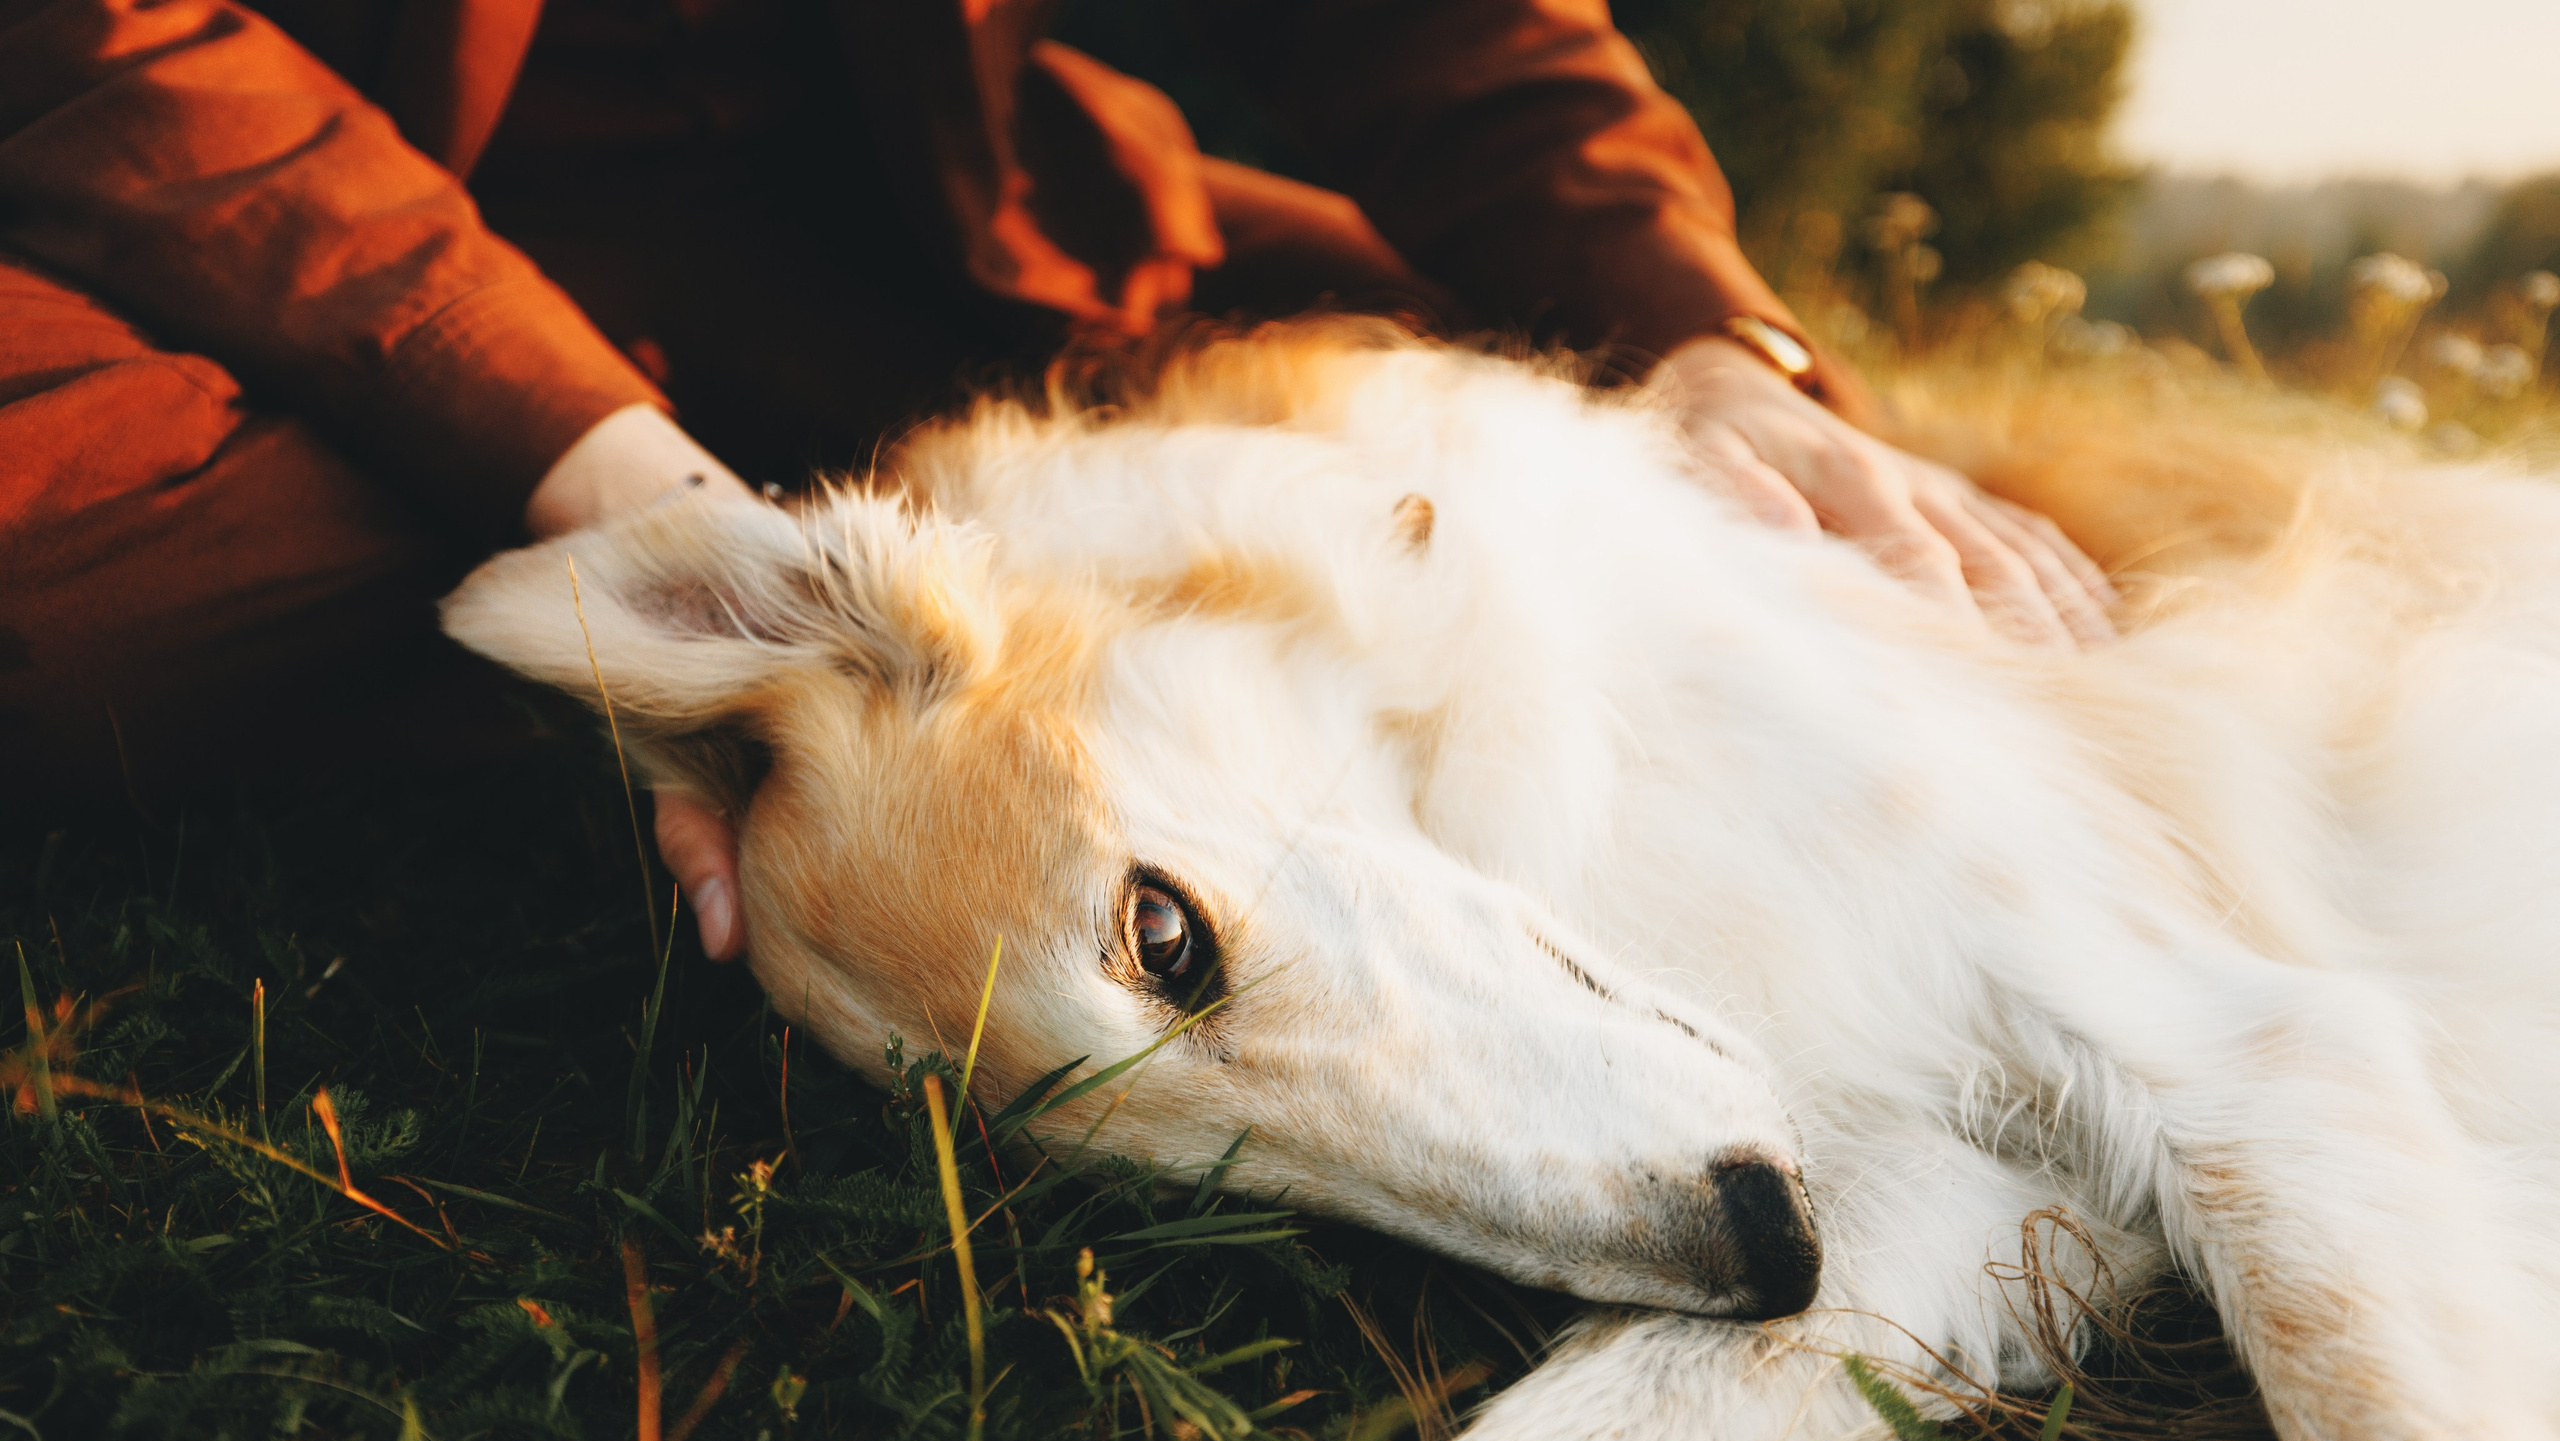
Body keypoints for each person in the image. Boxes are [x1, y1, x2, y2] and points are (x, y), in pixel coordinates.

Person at [1, 0, 2113, 961]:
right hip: (262, 258)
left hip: (920, 265)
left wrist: (1699, 339)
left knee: (1472, 408)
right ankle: (840, 677)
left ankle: (915, 668)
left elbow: (1441, 35)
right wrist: (620, 491)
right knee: (60, 577)